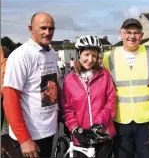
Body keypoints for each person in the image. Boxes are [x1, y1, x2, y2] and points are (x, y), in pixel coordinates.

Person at [103, 18, 149, 158]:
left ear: (142, 35)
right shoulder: (109, 57)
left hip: (147, 122)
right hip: (120, 121)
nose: (132, 36)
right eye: (128, 32)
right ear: (121, 33)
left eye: (136, 33)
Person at [2, 12, 59, 158]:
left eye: (51, 28)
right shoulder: (20, 56)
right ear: (31, 29)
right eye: (43, 28)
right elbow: (10, 100)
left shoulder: (52, 54)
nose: (48, 32)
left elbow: (53, 87)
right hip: (29, 136)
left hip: (49, 130)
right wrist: (24, 139)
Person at [61, 35, 116, 158]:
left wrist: (98, 124)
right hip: (81, 136)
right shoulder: (69, 80)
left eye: (94, 56)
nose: (90, 59)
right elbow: (67, 109)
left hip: (103, 134)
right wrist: (75, 129)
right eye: (87, 54)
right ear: (79, 54)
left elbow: (111, 102)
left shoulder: (104, 75)